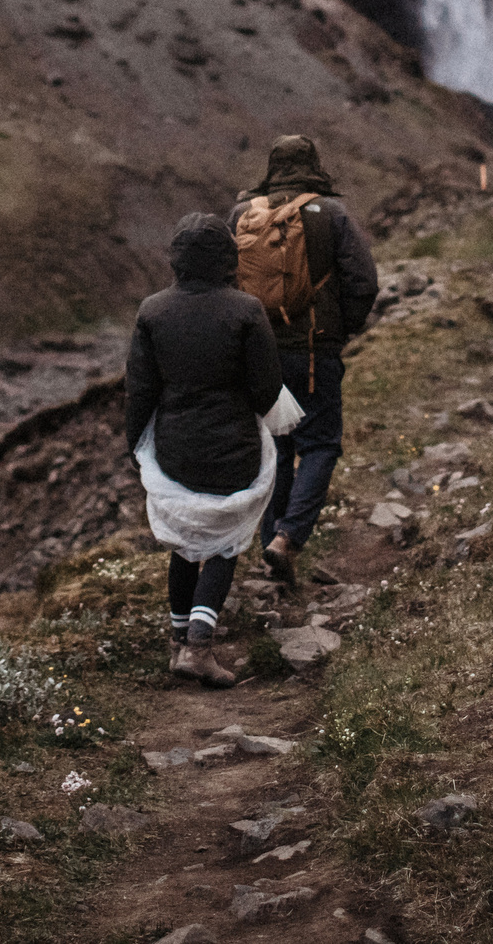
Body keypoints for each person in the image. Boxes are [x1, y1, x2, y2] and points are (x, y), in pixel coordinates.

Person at [123, 213, 285, 687]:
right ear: (226, 258)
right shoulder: (246, 311)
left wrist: (134, 445)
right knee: (224, 542)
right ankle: (199, 647)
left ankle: (178, 645)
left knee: (184, 542)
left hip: (174, 447)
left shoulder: (152, 311)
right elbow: (266, 388)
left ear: (176, 259)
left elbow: (140, 388)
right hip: (231, 446)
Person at [232, 134, 378, 583]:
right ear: (314, 164)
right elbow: (363, 281)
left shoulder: (243, 215)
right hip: (314, 353)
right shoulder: (331, 214)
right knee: (320, 444)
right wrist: (340, 330)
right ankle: (288, 538)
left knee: (275, 448)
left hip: (260, 356)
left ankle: (272, 547)